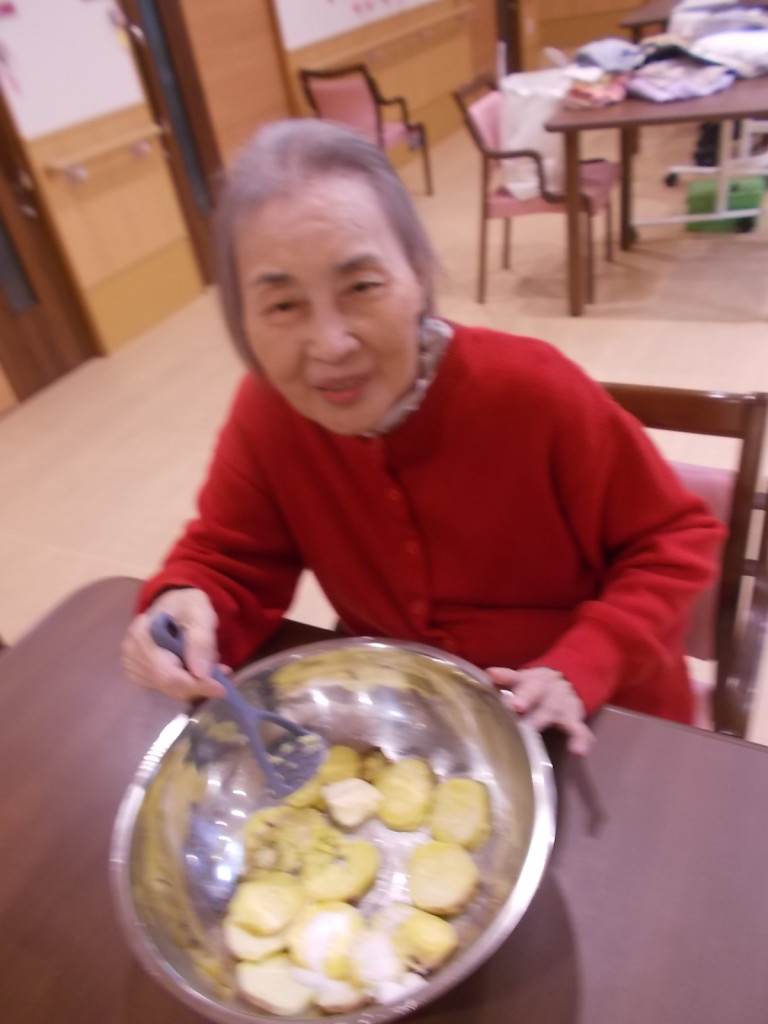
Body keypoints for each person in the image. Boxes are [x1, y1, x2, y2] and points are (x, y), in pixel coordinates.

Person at [121, 118, 724, 755]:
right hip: (414, 722)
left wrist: (583, 663)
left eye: (361, 286)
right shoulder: (270, 413)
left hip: (595, 722)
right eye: (283, 305)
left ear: (418, 279)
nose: (330, 344)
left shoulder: (531, 391)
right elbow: (229, 557)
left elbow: (673, 540)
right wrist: (188, 604)